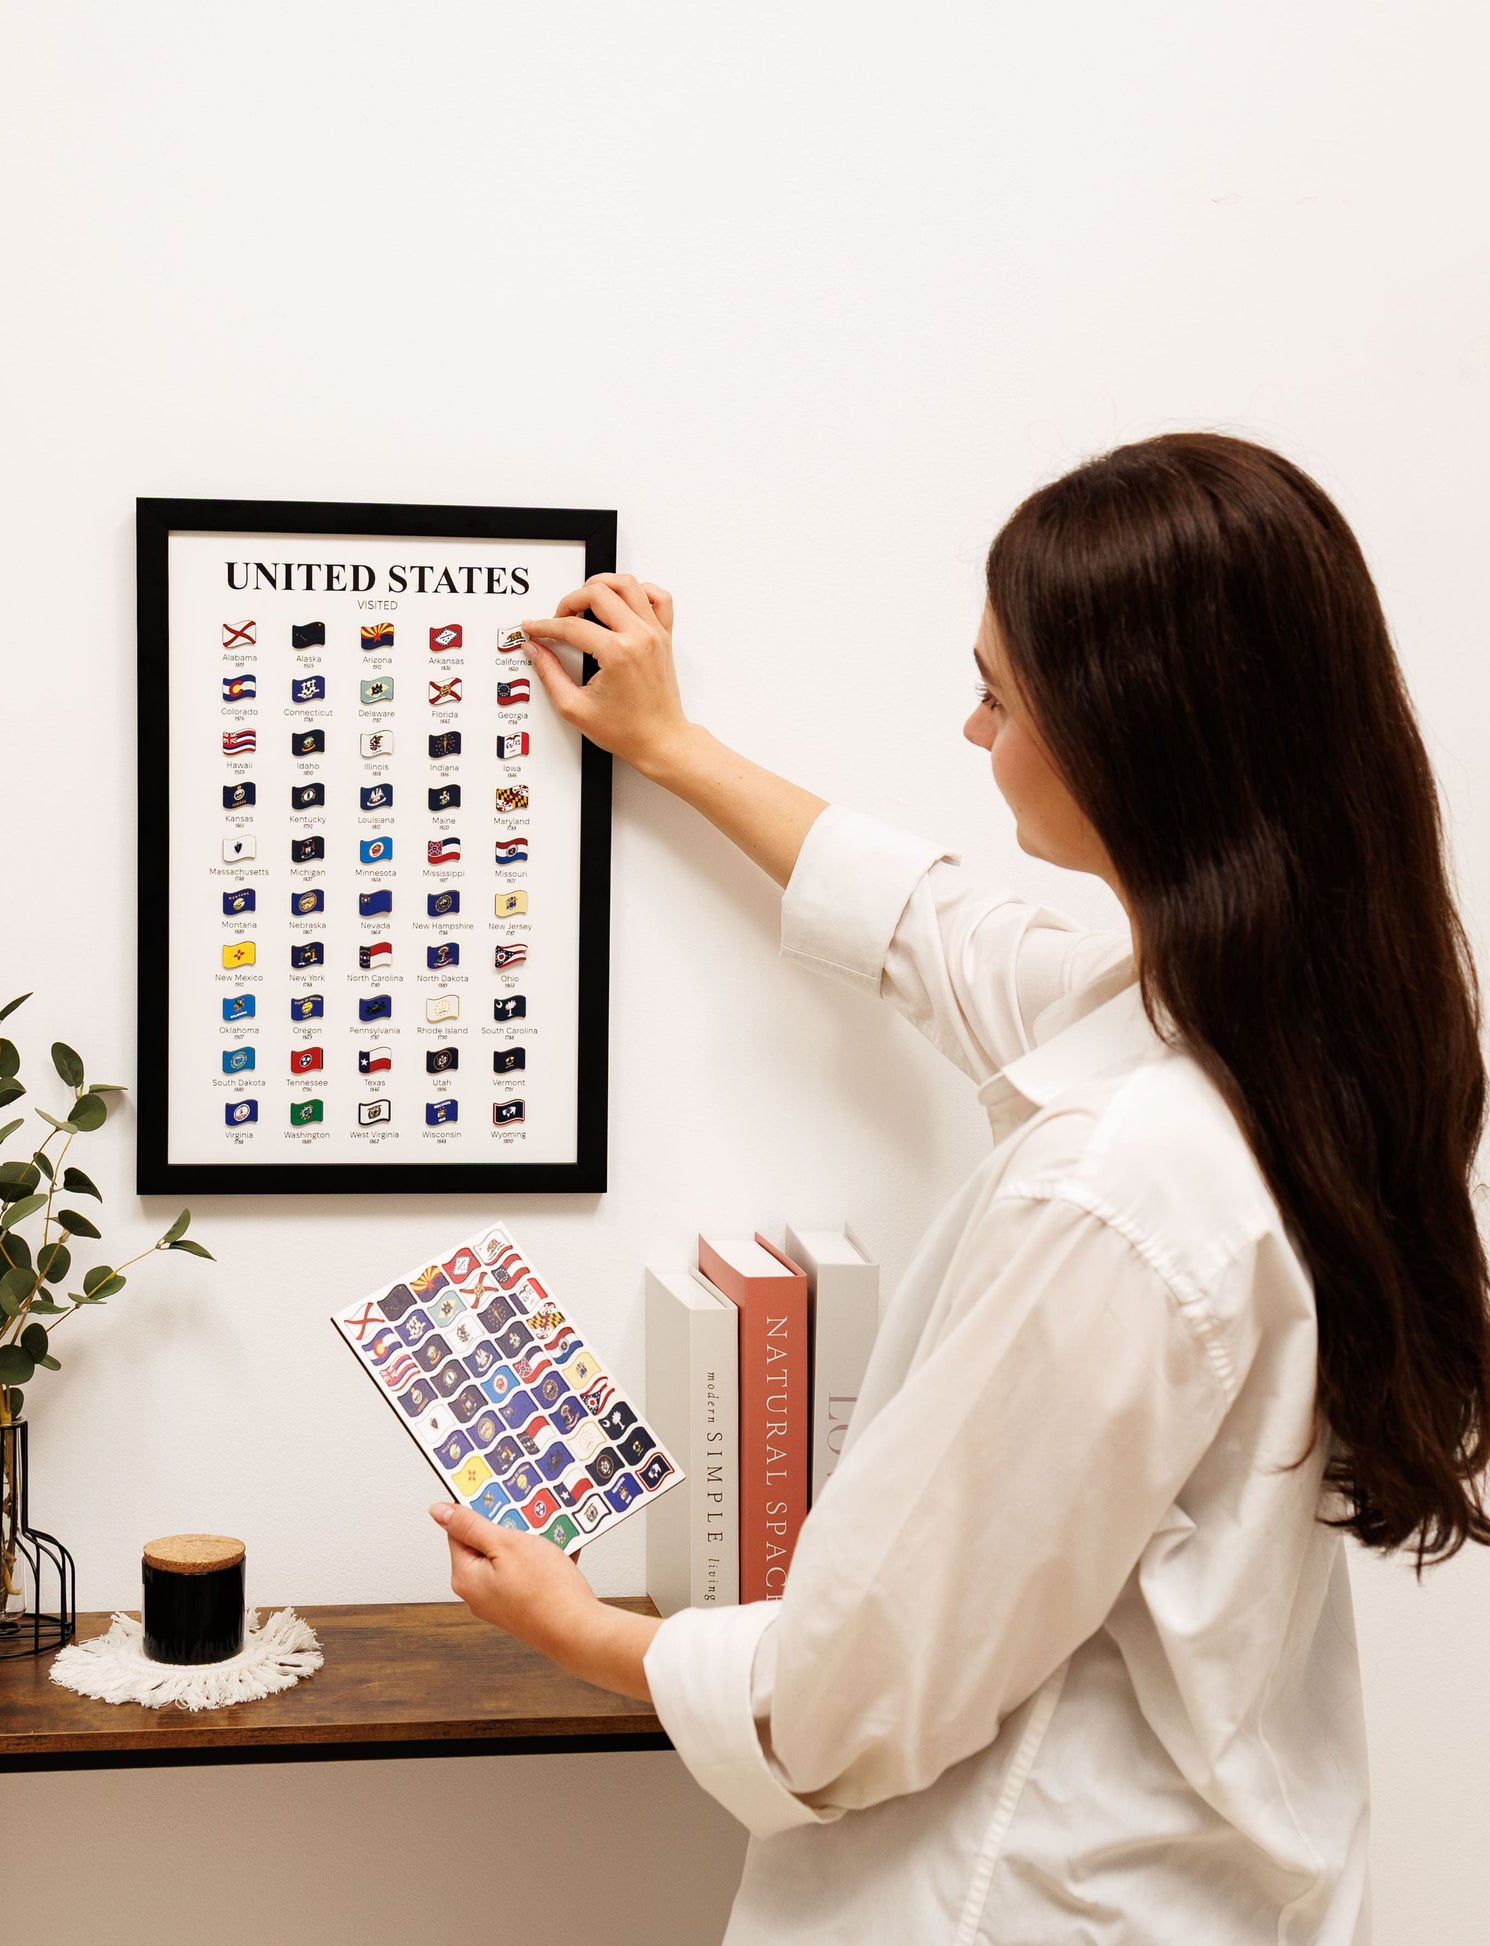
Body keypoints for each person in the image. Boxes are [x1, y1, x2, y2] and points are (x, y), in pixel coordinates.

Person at [428, 433, 1490, 1944]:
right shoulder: (1311, 1043)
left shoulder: (1119, 1184)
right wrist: (669, 744)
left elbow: (850, 1692)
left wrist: (579, 1628)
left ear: (1131, 736)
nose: (971, 724)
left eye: (999, 692)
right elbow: (940, 932)